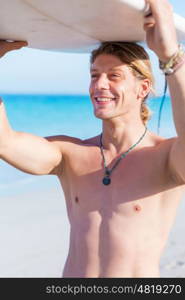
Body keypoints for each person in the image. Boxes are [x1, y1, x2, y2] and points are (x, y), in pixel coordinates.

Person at [0, 0, 185, 278]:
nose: (99, 85)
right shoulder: (69, 154)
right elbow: (5, 142)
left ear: (143, 88)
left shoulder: (166, 158)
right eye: (94, 75)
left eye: (114, 76)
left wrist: (170, 58)